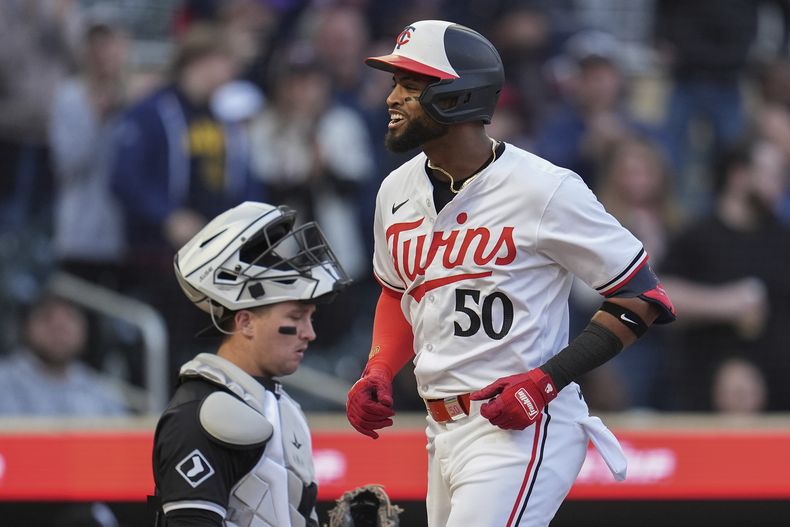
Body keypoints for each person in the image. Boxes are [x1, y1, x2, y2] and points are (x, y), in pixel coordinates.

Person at [344, 20, 676, 527]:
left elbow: (642, 297)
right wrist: (379, 368)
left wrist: (547, 382)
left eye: (410, 85)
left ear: (457, 96)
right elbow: (396, 294)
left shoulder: (544, 189)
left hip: (522, 426)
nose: (392, 97)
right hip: (440, 431)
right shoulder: (395, 190)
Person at [151, 201, 350, 527]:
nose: (309, 333)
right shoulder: (200, 413)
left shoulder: (284, 408)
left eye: (310, 318)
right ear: (245, 323)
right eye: (296, 317)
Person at [660, 138, 790, 411]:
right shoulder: (697, 237)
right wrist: (725, 304)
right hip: (703, 393)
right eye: (771, 173)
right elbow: (659, 295)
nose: (779, 184)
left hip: (778, 400)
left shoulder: (782, 238)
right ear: (739, 175)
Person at [0, 292, 128, 416]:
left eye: (69, 318)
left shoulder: (103, 393)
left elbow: (123, 434)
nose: (58, 329)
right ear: (26, 327)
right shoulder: (4, 380)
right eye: (46, 317)